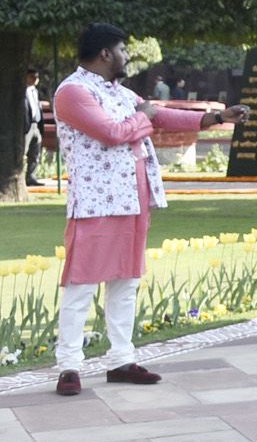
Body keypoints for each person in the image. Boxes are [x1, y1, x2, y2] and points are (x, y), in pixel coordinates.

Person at [50, 25, 244, 395]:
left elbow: (161, 116)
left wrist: (218, 117)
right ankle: (69, 366)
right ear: (105, 54)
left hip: (133, 198)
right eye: (123, 49)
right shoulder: (73, 92)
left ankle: (121, 360)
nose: (127, 56)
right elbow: (112, 132)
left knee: (126, 281)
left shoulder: (120, 93)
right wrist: (143, 115)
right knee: (81, 284)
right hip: (95, 203)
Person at [22, 68, 43, 185]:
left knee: (35, 153)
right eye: (32, 77)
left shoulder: (35, 91)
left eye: (37, 77)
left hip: (36, 125)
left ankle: (31, 177)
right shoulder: (22, 91)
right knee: (23, 152)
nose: (35, 80)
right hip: (27, 125)